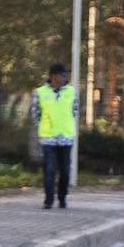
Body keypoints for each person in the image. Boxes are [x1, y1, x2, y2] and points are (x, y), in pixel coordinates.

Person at [31, 63, 77, 211]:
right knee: (49, 169)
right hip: (48, 137)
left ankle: (62, 198)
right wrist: (44, 127)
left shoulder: (71, 92)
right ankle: (48, 200)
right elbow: (35, 113)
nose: (63, 78)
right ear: (52, 77)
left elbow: (74, 111)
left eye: (65, 75)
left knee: (65, 171)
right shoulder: (40, 92)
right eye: (60, 75)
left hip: (66, 137)